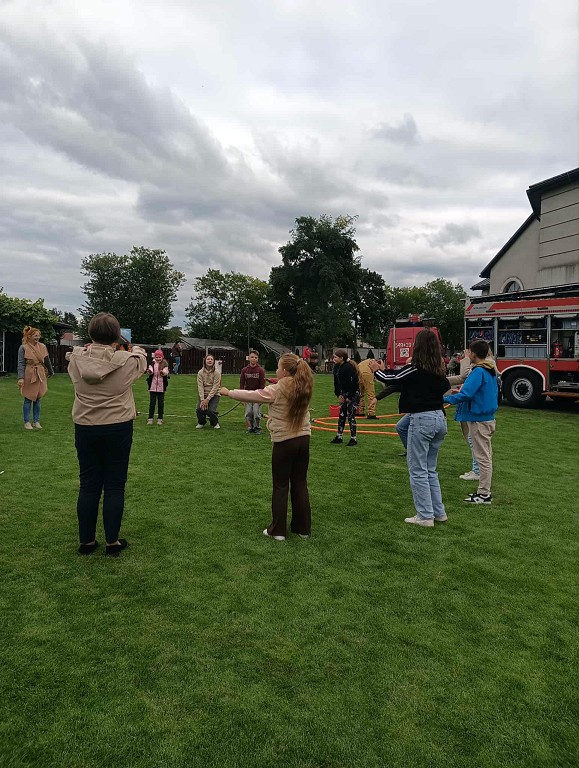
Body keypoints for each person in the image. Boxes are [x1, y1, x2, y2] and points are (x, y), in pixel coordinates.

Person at [66, 312, 147, 556]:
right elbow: (142, 358)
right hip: (117, 426)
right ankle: (112, 542)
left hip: (85, 426)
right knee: (114, 485)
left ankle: (87, 541)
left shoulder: (76, 359)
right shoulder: (127, 361)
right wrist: (131, 348)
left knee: (88, 485)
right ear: (116, 336)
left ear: (90, 334)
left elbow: (81, 356)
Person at [220, 353, 314, 541]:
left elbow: (253, 395)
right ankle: (303, 528)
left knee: (280, 486)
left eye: (278, 367)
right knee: (300, 483)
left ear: (285, 371)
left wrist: (229, 392)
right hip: (304, 440)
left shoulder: (276, 390)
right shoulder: (304, 385)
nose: (276, 370)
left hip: (284, 442)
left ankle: (277, 531)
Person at [369, 330, 450, 527]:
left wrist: (376, 370)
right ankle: (438, 512)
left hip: (422, 419)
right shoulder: (438, 370)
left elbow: (392, 378)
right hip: (439, 418)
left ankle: (425, 516)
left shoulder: (415, 369)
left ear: (417, 347)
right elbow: (445, 386)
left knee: (418, 470)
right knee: (430, 469)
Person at [443, 340, 499, 505]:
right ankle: (484, 492)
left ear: (473, 354)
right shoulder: (490, 369)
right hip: (487, 418)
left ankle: (484, 494)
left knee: (482, 458)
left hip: (479, 420)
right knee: (485, 456)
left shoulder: (478, 371)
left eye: (469, 352)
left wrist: (445, 399)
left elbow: (467, 394)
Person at [17, 326, 54, 430]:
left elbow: (47, 360)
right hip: (29, 374)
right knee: (28, 398)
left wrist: (50, 371)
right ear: (29, 336)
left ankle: (36, 421)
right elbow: (21, 364)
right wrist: (21, 378)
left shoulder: (42, 346)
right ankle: (27, 422)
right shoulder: (23, 347)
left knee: (38, 398)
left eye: (38, 335)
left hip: (40, 373)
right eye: (35, 336)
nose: (37, 337)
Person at [331, 349, 360, 446]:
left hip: (352, 393)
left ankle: (353, 438)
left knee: (351, 415)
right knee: (342, 415)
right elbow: (336, 382)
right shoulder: (336, 367)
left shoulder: (349, 367)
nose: (334, 359)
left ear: (341, 358)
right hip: (343, 394)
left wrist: (350, 396)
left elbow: (354, 382)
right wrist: (338, 394)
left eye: (335, 357)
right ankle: (339, 436)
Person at [240, 351, 266, 433]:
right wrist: (241, 396)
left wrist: (262, 396)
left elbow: (262, 384)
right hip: (248, 394)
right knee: (248, 412)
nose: (253, 359)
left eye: (255, 357)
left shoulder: (260, 370)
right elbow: (242, 383)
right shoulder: (244, 370)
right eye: (252, 357)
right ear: (249, 358)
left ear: (257, 359)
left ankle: (257, 427)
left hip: (257, 395)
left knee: (256, 412)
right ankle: (250, 427)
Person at [196, 354, 221, 429]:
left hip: (215, 394)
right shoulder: (200, 372)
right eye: (208, 359)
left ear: (213, 362)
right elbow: (200, 386)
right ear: (205, 361)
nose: (210, 361)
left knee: (211, 411)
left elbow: (216, 386)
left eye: (211, 359)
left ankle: (215, 423)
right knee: (199, 409)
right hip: (203, 394)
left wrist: (208, 399)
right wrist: (202, 399)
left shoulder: (217, 372)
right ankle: (201, 422)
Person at [147, 349, 169, 425]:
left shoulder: (164, 364)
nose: (158, 358)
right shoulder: (152, 363)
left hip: (161, 388)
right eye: (157, 357)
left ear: (162, 357)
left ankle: (160, 418)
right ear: (154, 357)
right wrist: (150, 371)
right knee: (152, 403)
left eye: (159, 357)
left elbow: (166, 372)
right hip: (153, 387)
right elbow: (150, 369)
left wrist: (163, 372)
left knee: (160, 404)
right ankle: (150, 418)